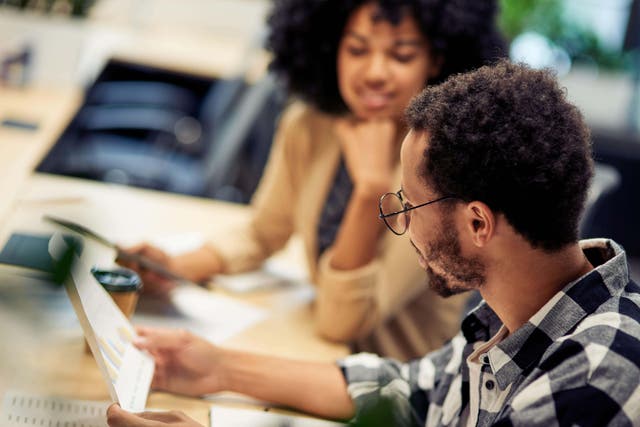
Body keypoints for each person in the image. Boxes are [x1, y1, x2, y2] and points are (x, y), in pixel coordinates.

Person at [107, 60, 640, 427]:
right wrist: (218, 367)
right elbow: (412, 389)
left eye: (410, 205)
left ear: (478, 224)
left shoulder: (592, 377)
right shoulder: (516, 317)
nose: (402, 222)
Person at [120, 0, 507, 360]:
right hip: (315, 351)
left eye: (401, 55)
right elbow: (262, 232)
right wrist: (174, 267)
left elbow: (345, 322)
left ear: (436, 61)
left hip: (392, 383)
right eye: (357, 50)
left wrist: (368, 191)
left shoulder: (445, 167)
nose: (374, 72)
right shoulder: (310, 126)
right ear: (330, 49)